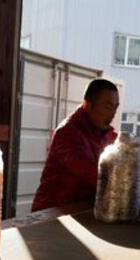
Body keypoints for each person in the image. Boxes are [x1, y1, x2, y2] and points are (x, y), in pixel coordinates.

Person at [31, 79, 119, 212]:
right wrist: (129, 184)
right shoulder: (67, 134)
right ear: (88, 105)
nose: (112, 114)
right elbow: (93, 174)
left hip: (79, 212)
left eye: (115, 107)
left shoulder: (107, 134)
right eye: (107, 107)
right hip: (51, 213)